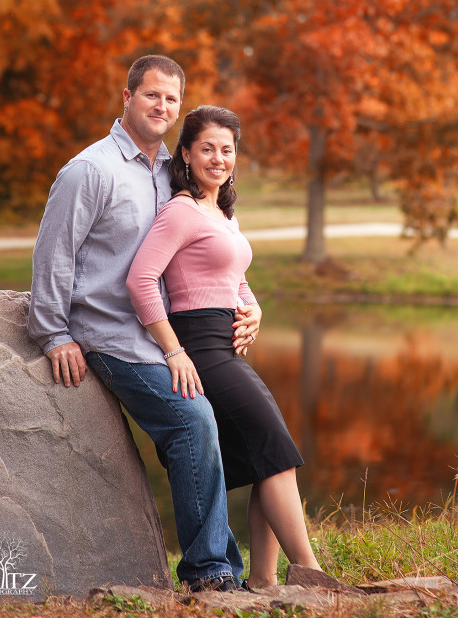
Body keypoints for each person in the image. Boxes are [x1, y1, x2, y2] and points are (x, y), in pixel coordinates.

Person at [27, 56, 258, 593]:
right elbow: (54, 254)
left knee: (218, 420)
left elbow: (209, 248)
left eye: (172, 99)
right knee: (193, 419)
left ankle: (225, 566)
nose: (162, 107)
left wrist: (250, 306)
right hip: (112, 338)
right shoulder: (91, 170)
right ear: (126, 98)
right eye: (152, 95)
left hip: (165, 335)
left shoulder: (169, 172)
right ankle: (211, 574)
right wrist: (55, 334)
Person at [126, 105, 322, 589]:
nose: (218, 158)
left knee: (269, 458)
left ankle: (265, 581)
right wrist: (174, 351)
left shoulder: (220, 211)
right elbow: (141, 280)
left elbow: (232, 276)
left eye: (227, 149)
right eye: (207, 148)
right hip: (201, 349)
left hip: (224, 345)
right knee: (277, 451)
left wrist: (254, 310)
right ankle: (311, 573)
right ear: (187, 155)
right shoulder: (182, 210)